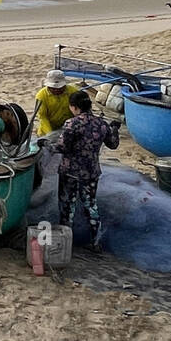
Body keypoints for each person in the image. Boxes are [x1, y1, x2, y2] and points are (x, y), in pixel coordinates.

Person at [57, 91, 120, 251]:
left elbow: (63, 147)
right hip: (91, 172)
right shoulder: (101, 124)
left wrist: (47, 145)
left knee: (67, 207)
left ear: (74, 107)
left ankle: (66, 244)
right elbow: (113, 144)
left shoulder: (72, 124)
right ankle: (96, 242)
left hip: (70, 171)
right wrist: (114, 129)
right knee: (91, 206)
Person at [34, 69, 81, 135]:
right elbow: (43, 117)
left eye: (60, 88)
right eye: (53, 88)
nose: (56, 90)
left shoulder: (73, 91)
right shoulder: (41, 96)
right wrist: (50, 134)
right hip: (48, 130)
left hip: (69, 128)